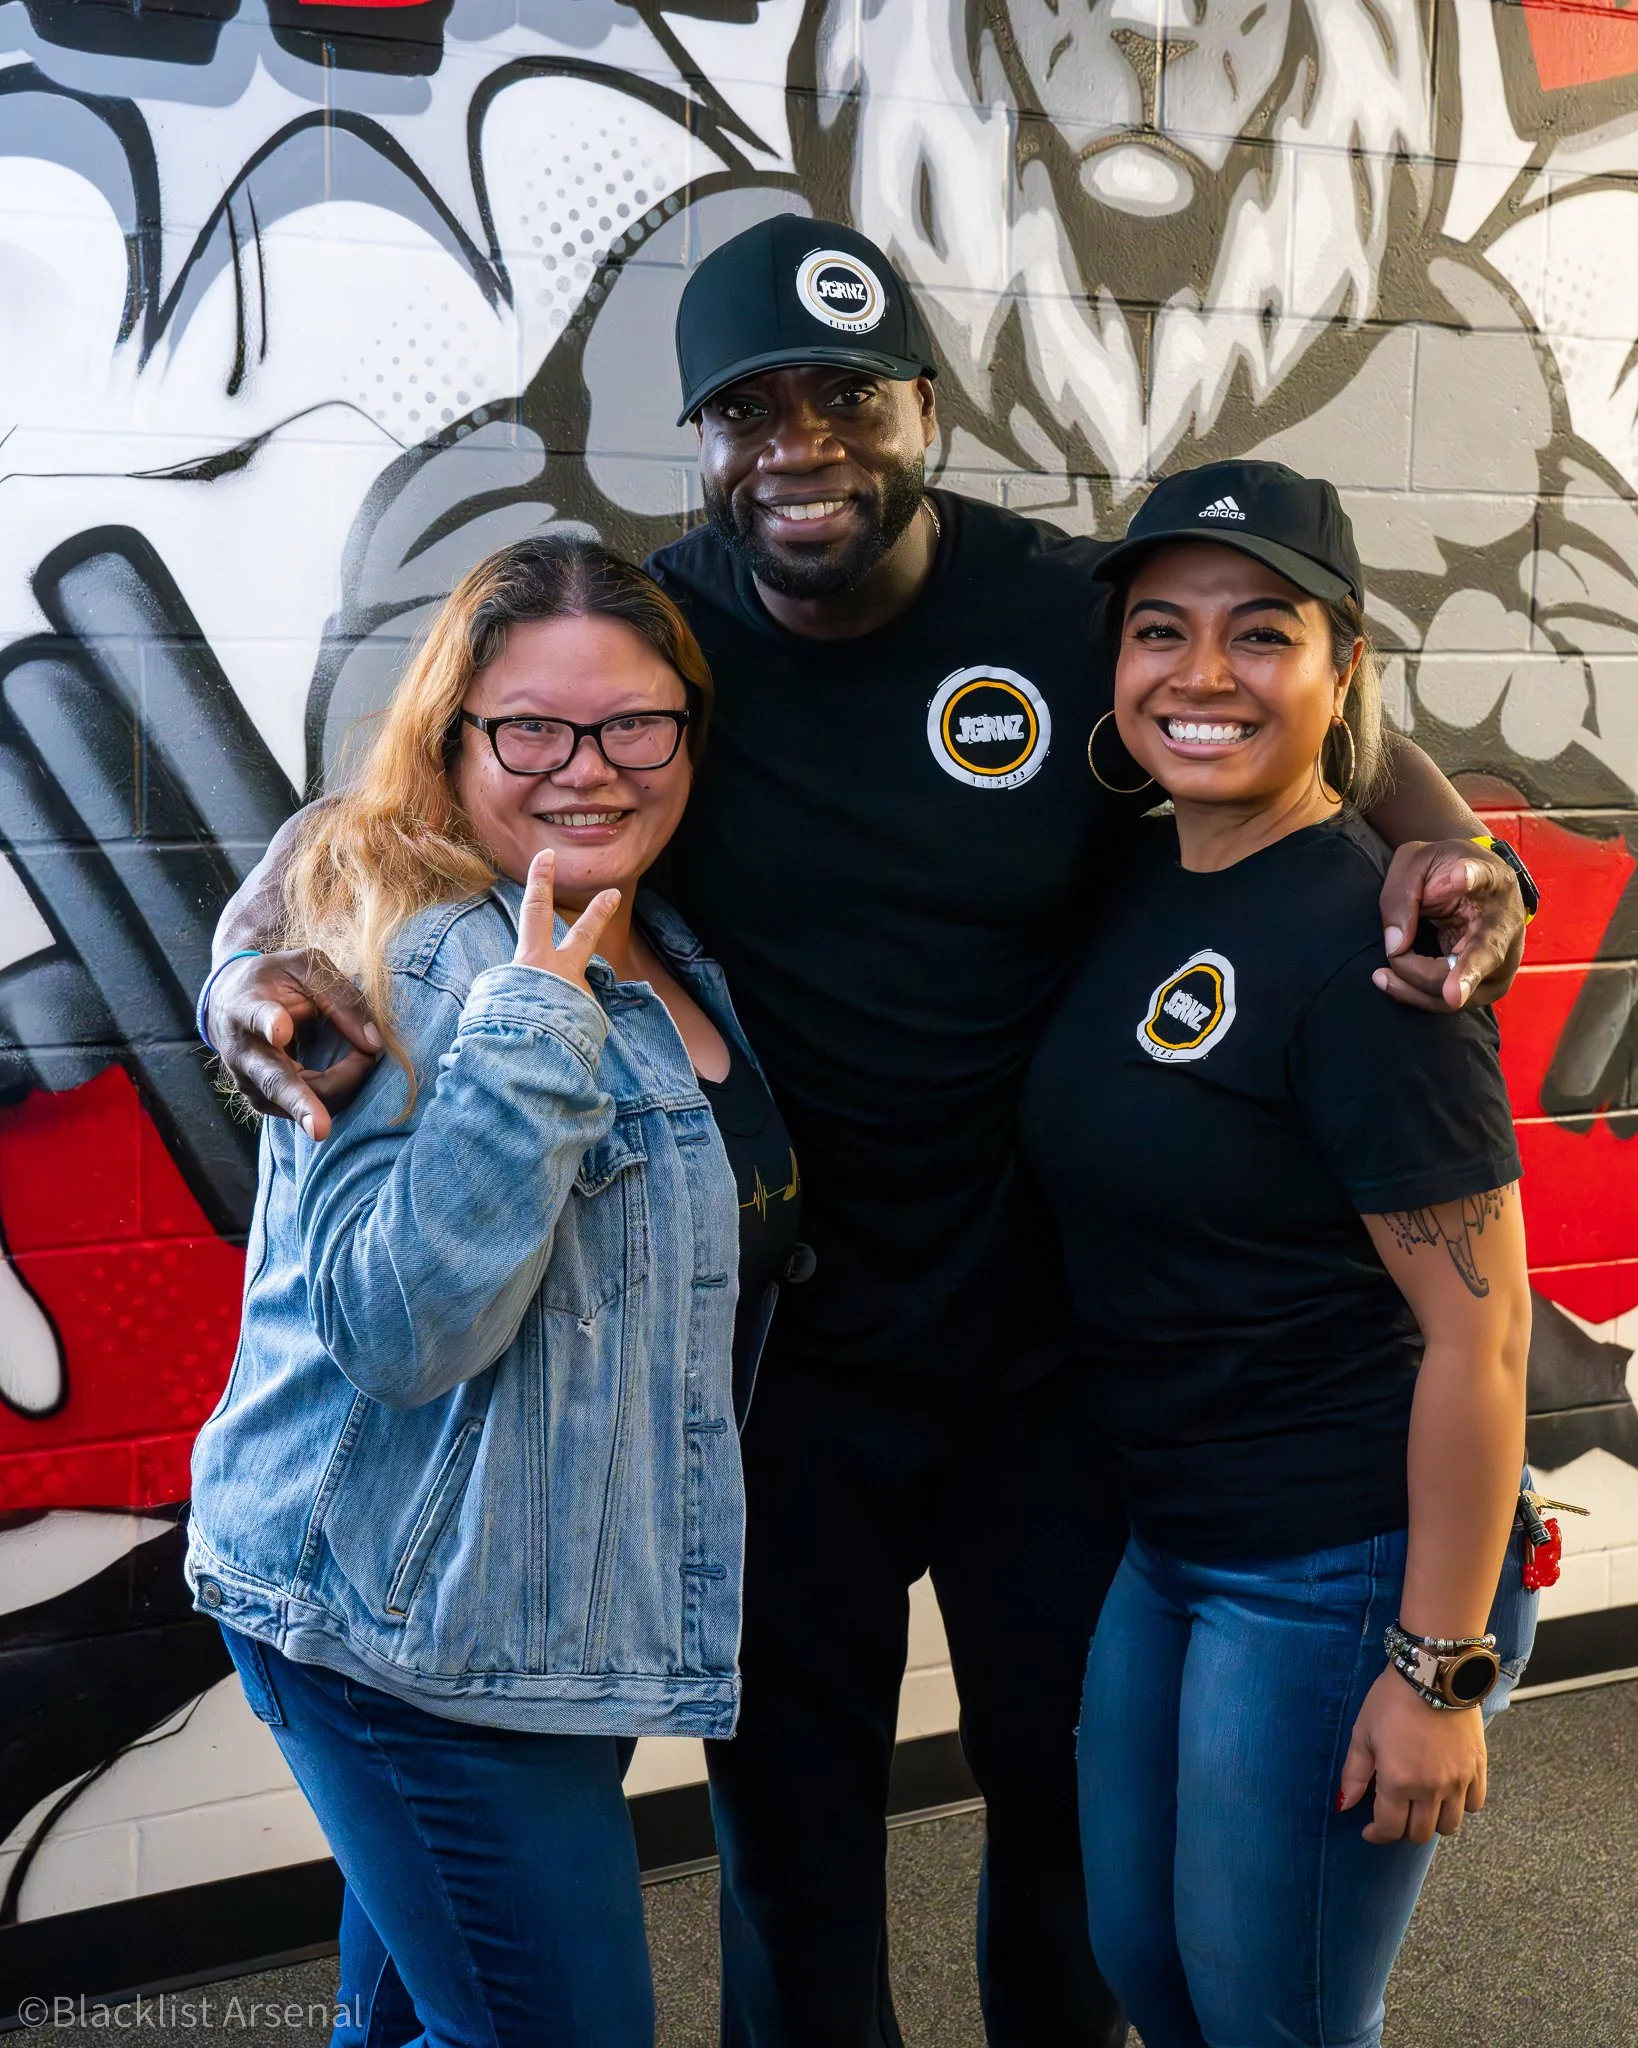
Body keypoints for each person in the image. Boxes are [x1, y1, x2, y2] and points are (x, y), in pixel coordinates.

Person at [201, 219, 1535, 2048]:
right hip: (774, 1386)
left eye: (850, 397)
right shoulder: (657, 640)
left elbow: (1293, 697)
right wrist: (242, 974)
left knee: (1063, 1854)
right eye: (752, 406)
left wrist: (1475, 859)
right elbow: (372, 815)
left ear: (926, 410)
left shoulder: (1067, 609)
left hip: (1037, 1375)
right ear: (705, 441)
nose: (803, 442)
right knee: (795, 1859)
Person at [186, 535, 799, 2046]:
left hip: (531, 1614)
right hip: (407, 1639)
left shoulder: (663, 929)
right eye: (529, 725)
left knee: (410, 2023)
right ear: (452, 736)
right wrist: (532, 1025)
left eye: (634, 723)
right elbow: (401, 1336)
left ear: (688, 735)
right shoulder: (405, 950)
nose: (586, 765)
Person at [1019, 461, 1538, 2048]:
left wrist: (1438, 1666)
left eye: (1261, 635)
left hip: (1346, 1564)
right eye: (1159, 631)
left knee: (1278, 2018)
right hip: (1172, 1545)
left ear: (1341, 669)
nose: (1200, 674)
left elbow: (1484, 1337)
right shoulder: (1134, 871)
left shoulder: (1371, 956)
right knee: (1147, 1970)